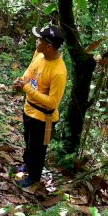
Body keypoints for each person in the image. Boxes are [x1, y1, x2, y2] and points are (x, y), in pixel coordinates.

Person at [13, 25, 67, 187]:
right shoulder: (40, 54)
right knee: (28, 142)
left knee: (38, 149)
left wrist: (26, 88)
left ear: (49, 46)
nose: (37, 41)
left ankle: (33, 176)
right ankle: (27, 166)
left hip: (44, 118)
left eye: (40, 40)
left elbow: (53, 102)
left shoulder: (59, 72)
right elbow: (30, 71)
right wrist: (21, 81)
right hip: (29, 109)